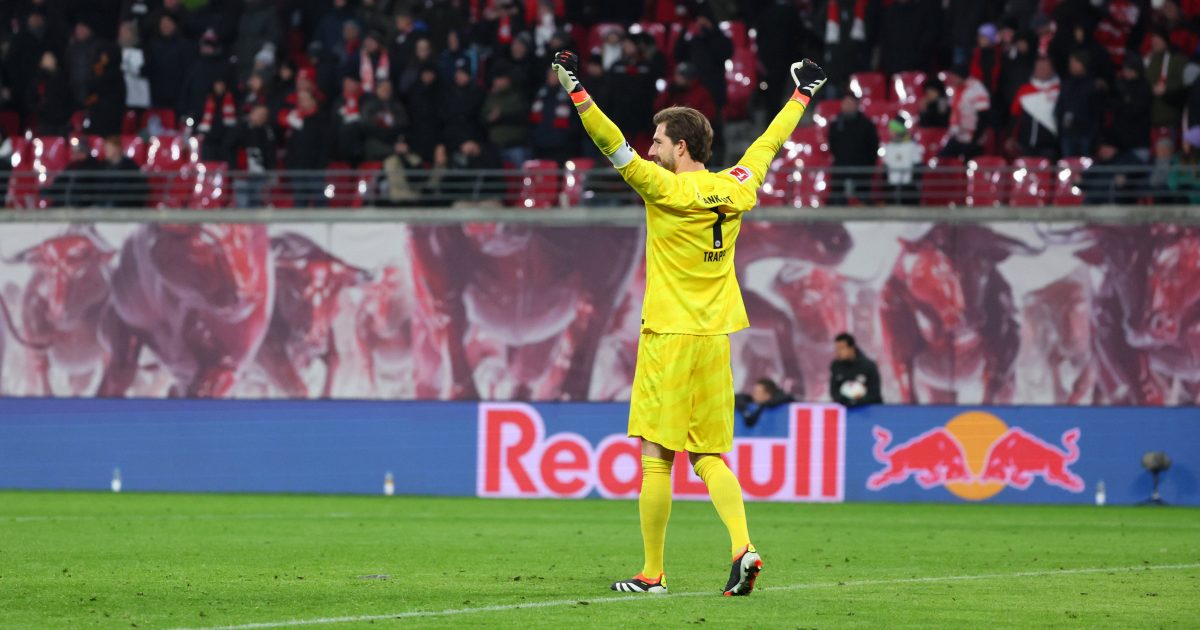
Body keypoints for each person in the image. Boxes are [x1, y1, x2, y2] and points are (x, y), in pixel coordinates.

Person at [550, 49, 829, 596]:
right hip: (715, 338)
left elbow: (611, 144)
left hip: (670, 335)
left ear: (680, 146)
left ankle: (652, 574)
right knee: (707, 454)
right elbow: (768, 144)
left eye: (657, 142)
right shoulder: (738, 187)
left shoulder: (665, 188)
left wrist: (577, 90)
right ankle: (742, 547)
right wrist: (802, 93)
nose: (649, 150)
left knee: (656, 457)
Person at [828, 94, 879, 205]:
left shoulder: (867, 124)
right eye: (845, 103)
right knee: (837, 200)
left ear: (857, 105)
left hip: (861, 170)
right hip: (841, 169)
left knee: (862, 200)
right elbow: (832, 145)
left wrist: (867, 165)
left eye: (850, 103)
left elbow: (873, 146)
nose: (847, 106)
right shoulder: (836, 124)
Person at [829, 332, 882, 407]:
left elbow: (874, 393)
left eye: (841, 348)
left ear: (851, 348)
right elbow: (834, 391)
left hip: (868, 410)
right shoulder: (835, 366)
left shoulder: (868, 366)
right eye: (837, 349)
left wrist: (857, 401)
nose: (838, 352)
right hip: (845, 409)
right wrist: (843, 400)